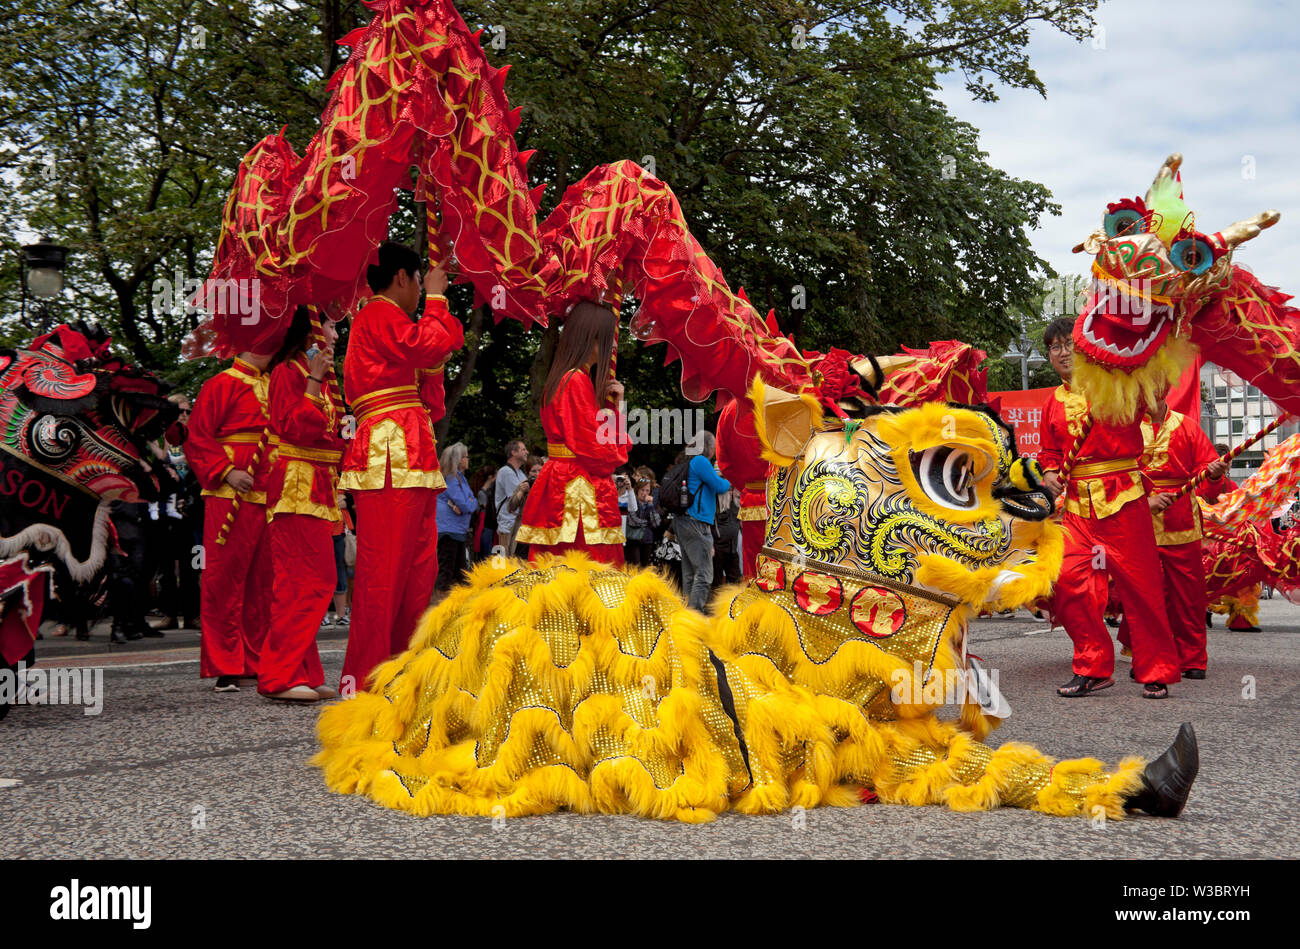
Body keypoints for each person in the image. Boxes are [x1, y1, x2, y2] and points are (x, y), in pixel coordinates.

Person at [338, 241, 463, 694]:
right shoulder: (377, 313)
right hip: (390, 455)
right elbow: (427, 344)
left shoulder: (389, 323)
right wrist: (437, 300)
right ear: (402, 278)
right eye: (420, 281)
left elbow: (433, 387)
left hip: (409, 450)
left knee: (417, 570)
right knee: (383, 572)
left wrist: (434, 352)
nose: (422, 291)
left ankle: (399, 670)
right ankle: (366, 678)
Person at [1038, 316, 1181, 699]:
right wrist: (1050, 470)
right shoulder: (1051, 401)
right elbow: (1049, 450)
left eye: (1069, 343)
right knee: (1068, 583)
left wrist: (1146, 364)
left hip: (1124, 499)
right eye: (1055, 347)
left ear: (1085, 347)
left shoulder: (1118, 384)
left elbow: (1158, 405)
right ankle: (1093, 666)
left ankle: (1156, 669)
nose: (1063, 351)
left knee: (1142, 587)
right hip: (1076, 506)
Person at [258, 307, 346, 702]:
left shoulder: (322, 380)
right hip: (296, 486)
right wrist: (312, 380)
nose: (336, 333)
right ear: (311, 329)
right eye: (330, 325)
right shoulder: (287, 374)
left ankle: (302, 670)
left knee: (317, 580)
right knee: (302, 581)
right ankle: (277, 675)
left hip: (319, 487)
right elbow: (293, 427)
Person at [1116, 389, 1229, 681]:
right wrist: (1142, 498)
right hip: (1140, 519)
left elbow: (1207, 476)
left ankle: (1192, 658)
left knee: (1188, 595)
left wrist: (1214, 473)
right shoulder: (1126, 428)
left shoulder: (1187, 425)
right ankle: (1145, 655)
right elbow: (1118, 475)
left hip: (1182, 521)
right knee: (1144, 595)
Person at [186, 347, 275, 692]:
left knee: (262, 581)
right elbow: (198, 436)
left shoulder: (276, 384)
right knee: (224, 579)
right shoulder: (220, 384)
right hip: (231, 491)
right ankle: (225, 663)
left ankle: (255, 659)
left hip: (269, 489)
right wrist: (225, 471)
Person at [516, 302, 629, 565]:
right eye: (608, 339)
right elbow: (599, 452)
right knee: (587, 571)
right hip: (578, 489)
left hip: (564, 483)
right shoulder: (576, 381)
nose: (613, 348)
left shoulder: (565, 378)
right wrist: (618, 415)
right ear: (591, 337)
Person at [675, 430, 732, 611]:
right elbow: (719, 486)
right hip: (696, 522)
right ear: (706, 447)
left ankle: (687, 615)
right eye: (713, 446)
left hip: (683, 521)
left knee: (690, 573)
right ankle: (694, 615)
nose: (715, 450)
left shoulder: (688, 461)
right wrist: (731, 480)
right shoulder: (700, 461)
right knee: (705, 574)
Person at [436, 442, 478, 591]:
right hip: (449, 530)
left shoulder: (460, 478)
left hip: (456, 530)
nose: (468, 459)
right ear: (460, 459)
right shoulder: (452, 479)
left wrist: (469, 503)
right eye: (466, 457)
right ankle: (440, 603)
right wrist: (469, 503)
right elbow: (467, 504)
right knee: (447, 571)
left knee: (459, 570)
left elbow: (471, 502)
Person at [494, 439, 529, 553]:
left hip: (516, 522)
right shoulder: (506, 472)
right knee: (505, 559)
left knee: (514, 559)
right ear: (514, 452)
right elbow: (515, 497)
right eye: (523, 449)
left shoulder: (520, 473)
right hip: (507, 523)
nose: (527, 452)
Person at [624, 478, 660, 567]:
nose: (644, 493)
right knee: (634, 566)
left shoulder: (652, 504)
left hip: (647, 540)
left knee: (644, 568)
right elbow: (632, 521)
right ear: (637, 490)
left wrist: (651, 505)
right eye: (642, 490)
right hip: (633, 539)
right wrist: (647, 523)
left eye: (647, 490)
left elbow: (656, 523)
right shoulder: (632, 501)